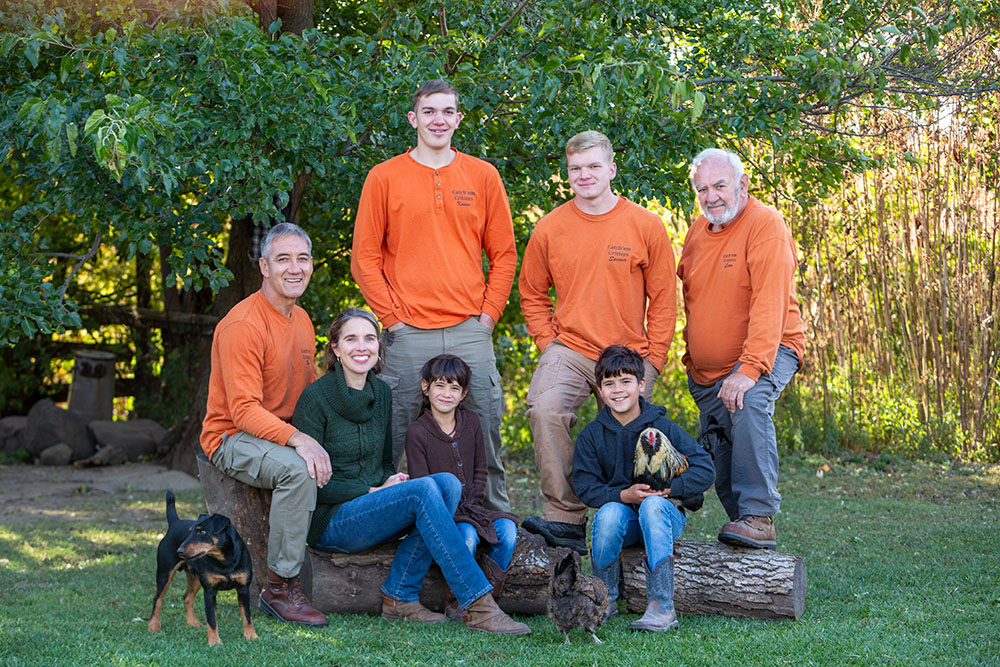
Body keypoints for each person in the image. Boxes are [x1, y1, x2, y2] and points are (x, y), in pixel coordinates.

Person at [292, 309, 531, 635]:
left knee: (448, 484)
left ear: (379, 346)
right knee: (425, 489)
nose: (361, 347)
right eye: (350, 339)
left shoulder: (381, 393)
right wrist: (371, 491)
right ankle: (478, 603)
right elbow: (309, 483)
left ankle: (400, 595)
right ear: (335, 347)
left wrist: (388, 481)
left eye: (369, 338)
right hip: (331, 520)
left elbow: (384, 463)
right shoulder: (315, 398)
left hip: (373, 509)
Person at [351, 79, 517, 513]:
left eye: (447, 111)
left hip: (469, 327)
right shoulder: (384, 177)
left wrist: (487, 318)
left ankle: (495, 521)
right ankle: (381, 520)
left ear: (458, 119)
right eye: (429, 111)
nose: (438, 120)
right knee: (391, 434)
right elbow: (364, 259)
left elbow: (504, 254)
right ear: (413, 118)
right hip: (406, 332)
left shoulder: (482, 176)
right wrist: (391, 320)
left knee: (486, 428)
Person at [518, 130, 678, 554]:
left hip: (628, 354)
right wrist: (547, 342)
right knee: (545, 409)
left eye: (593, 166)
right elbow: (532, 292)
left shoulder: (644, 224)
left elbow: (664, 298)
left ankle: (631, 520)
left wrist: (654, 361)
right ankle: (566, 517)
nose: (584, 175)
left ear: (611, 169)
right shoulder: (551, 227)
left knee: (629, 438)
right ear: (568, 173)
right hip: (570, 348)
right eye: (575, 168)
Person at [200, 222, 330, 627]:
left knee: (326, 455)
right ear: (264, 266)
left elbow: (308, 395)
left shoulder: (302, 319)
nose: (295, 268)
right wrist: (300, 440)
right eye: (283, 259)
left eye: (302, 258)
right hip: (231, 436)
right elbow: (243, 410)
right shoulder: (244, 325)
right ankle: (279, 587)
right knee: (298, 471)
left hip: (277, 434)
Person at [677, 148, 805, 549]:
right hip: (708, 371)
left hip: (769, 349)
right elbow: (692, 298)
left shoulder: (765, 225)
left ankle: (759, 516)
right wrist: (694, 358)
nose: (711, 196)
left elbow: (769, 304)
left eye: (720, 185)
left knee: (748, 402)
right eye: (702, 189)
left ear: (742, 184)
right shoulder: (697, 232)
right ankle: (744, 528)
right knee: (722, 447)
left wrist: (749, 369)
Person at [572, 345, 714, 631]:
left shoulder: (661, 426)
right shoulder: (591, 435)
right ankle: (604, 600)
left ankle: (662, 606)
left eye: (625, 381)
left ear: (641, 385)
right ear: (600, 390)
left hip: (664, 516)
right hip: (625, 523)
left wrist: (670, 488)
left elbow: (706, 469)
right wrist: (623, 495)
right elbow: (585, 487)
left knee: (651, 505)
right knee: (609, 513)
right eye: (609, 383)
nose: (618, 390)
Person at [404, 354, 520, 621]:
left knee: (508, 531)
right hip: (444, 514)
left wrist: (475, 502)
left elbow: (481, 468)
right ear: (426, 387)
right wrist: (454, 512)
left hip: (474, 508)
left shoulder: (472, 422)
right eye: (440, 385)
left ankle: (488, 598)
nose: (446, 394)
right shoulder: (417, 432)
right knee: (467, 536)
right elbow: (422, 483)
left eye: (454, 388)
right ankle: (458, 599)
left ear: (464, 393)